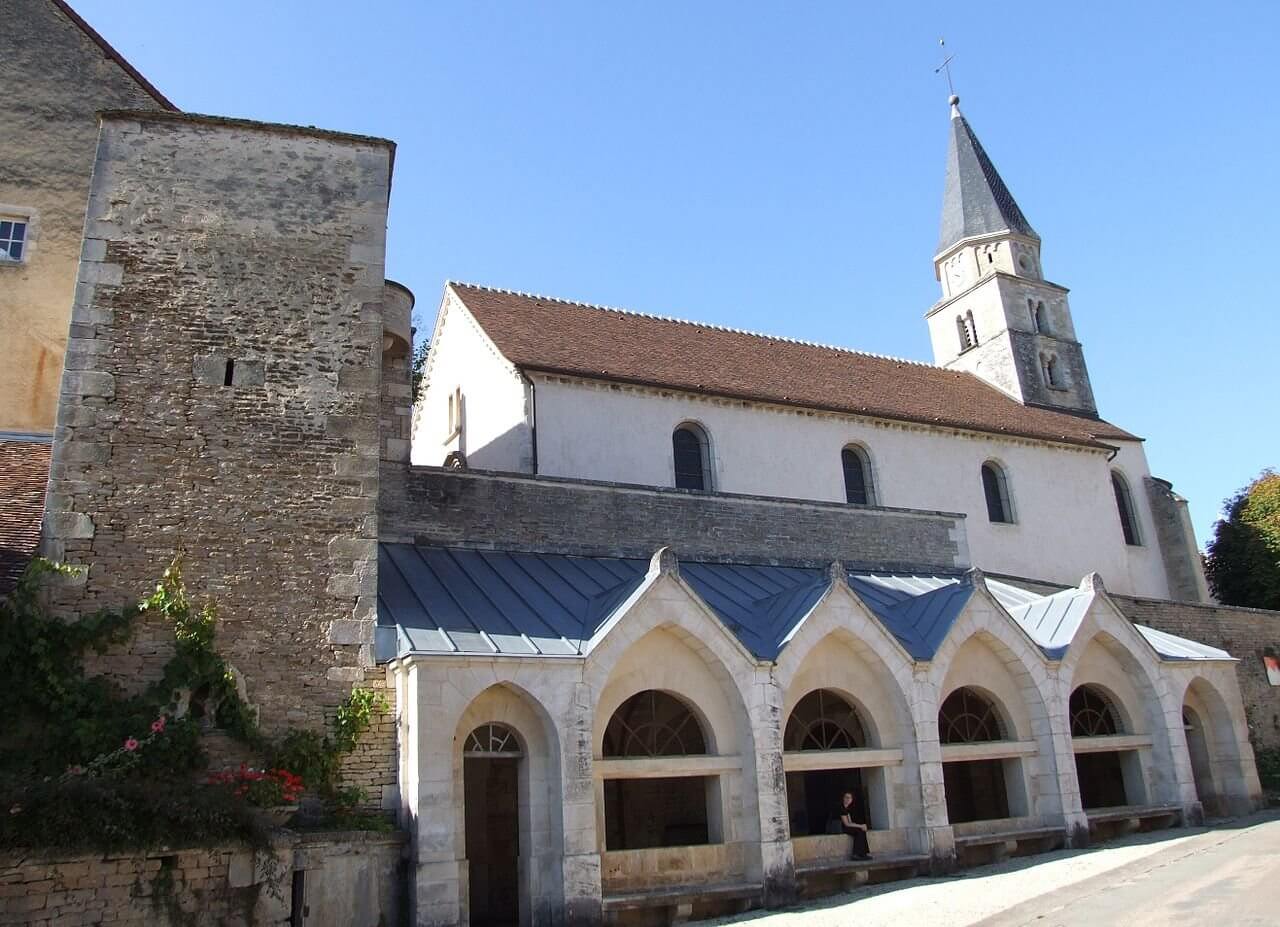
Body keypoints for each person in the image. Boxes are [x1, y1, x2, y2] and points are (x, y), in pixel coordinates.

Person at [839, 791, 871, 860]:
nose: (848, 799)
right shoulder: (841, 808)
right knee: (859, 831)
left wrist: (861, 825)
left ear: (852, 800)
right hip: (842, 828)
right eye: (846, 797)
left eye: (850, 798)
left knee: (862, 830)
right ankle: (855, 854)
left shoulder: (847, 808)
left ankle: (863, 854)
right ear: (843, 798)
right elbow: (846, 824)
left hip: (847, 827)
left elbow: (850, 822)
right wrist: (860, 826)